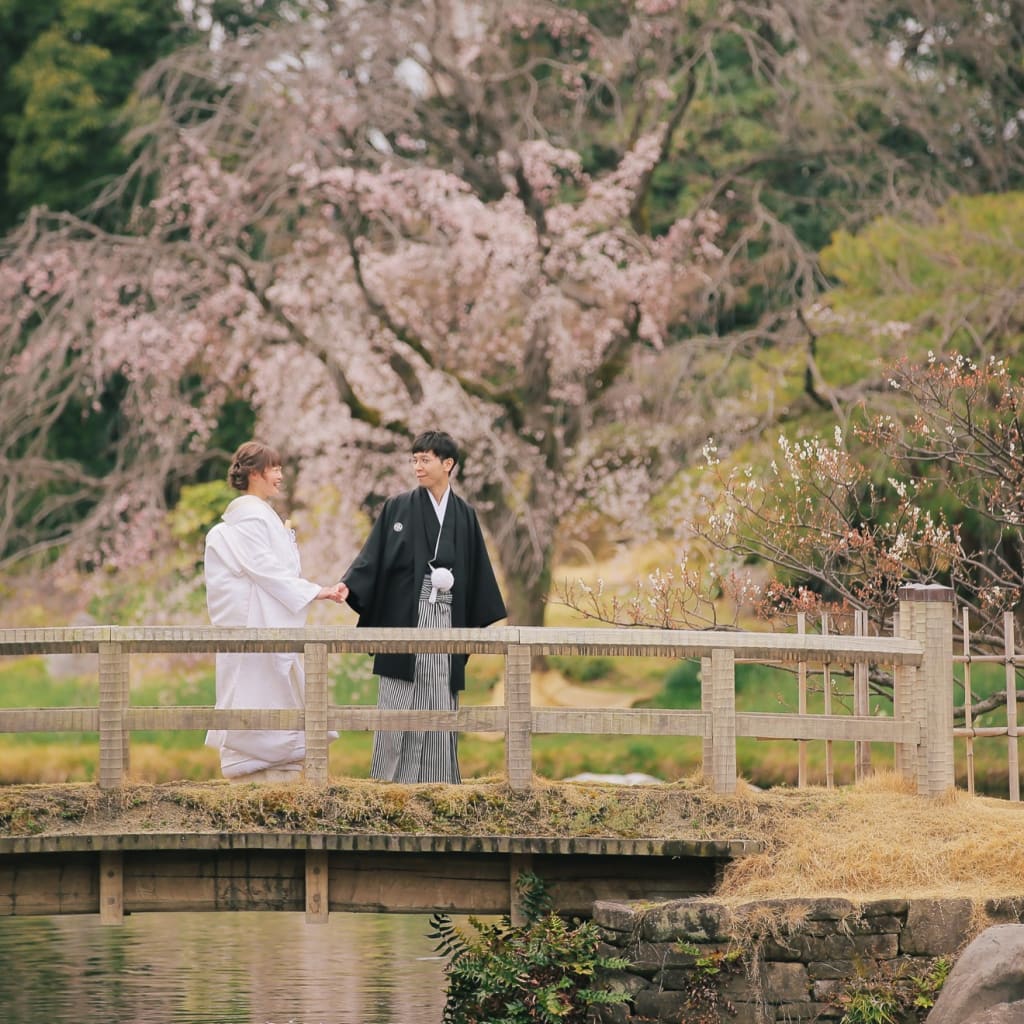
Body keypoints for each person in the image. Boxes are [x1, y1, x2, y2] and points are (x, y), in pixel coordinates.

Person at [342, 430, 506, 783]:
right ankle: (388, 783)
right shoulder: (397, 507)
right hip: (406, 615)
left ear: (448, 464)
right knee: (398, 696)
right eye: (414, 459)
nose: (417, 466)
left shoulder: (464, 514)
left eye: (425, 459)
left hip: (447, 616)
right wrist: (350, 585)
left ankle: (438, 782)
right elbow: (374, 557)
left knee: (438, 697)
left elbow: (477, 571)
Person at [204, 440, 347, 782]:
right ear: (254, 474)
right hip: (255, 619)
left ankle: (274, 761)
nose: (281, 475)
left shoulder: (258, 515)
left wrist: (309, 590)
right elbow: (266, 570)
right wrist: (316, 591)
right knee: (258, 687)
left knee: (273, 690)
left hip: (265, 616)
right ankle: (257, 760)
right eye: (275, 469)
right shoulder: (251, 518)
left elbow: (272, 572)